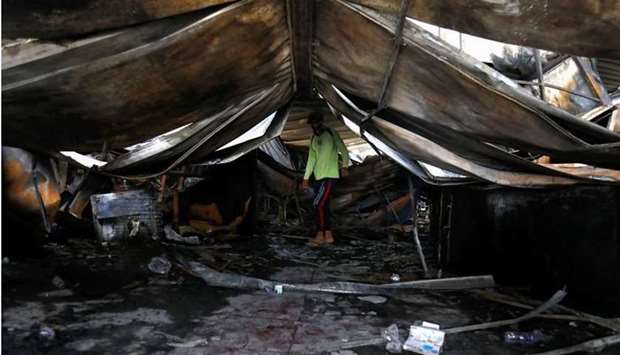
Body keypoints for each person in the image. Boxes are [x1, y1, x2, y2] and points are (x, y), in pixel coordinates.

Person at [302, 112, 350, 247]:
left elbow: (343, 150)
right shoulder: (312, 138)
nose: (315, 125)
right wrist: (305, 178)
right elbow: (311, 159)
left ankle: (319, 235)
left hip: (329, 176)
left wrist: (345, 166)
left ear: (321, 122)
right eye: (312, 123)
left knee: (318, 204)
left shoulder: (331, 132)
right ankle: (328, 236)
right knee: (324, 206)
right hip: (318, 177)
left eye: (317, 122)